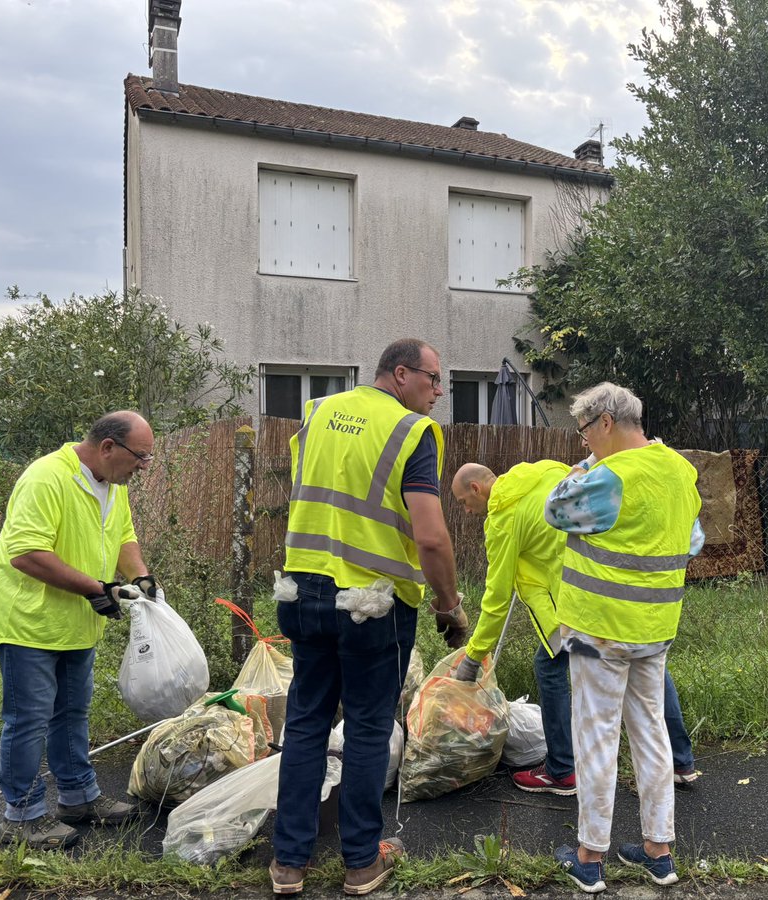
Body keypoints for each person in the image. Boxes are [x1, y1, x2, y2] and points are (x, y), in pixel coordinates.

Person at [270, 338, 468, 897]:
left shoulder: (317, 415)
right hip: (372, 603)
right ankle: (360, 862)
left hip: (302, 590)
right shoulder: (411, 431)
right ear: (401, 374)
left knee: (306, 723)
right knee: (365, 729)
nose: (438, 393)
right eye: (433, 380)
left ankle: (288, 865)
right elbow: (430, 536)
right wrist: (450, 606)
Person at [449, 461, 700, 794]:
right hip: (609, 581)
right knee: (643, 661)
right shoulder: (544, 470)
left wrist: (474, 655)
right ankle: (681, 761)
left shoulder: (503, 519)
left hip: (574, 599)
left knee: (550, 667)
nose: (466, 511)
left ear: (477, 489)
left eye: (464, 502)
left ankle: (562, 770)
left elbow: (496, 596)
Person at [543, 382, 702, 893]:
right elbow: (693, 540)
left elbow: (554, 512)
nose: (584, 443)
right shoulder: (681, 470)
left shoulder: (608, 474)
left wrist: (580, 473)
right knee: (651, 732)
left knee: (596, 738)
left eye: (585, 432)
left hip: (598, 629)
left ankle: (590, 858)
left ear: (606, 423)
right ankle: (658, 852)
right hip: (655, 628)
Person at [0, 411, 158, 850]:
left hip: (75, 621)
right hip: (27, 622)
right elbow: (25, 553)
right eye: (140, 456)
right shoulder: (46, 477)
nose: (144, 466)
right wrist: (97, 588)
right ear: (108, 447)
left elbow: (124, 537)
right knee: (29, 720)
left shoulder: (113, 485)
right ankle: (21, 819)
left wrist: (141, 578)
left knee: (73, 712)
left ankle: (78, 799)